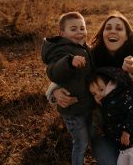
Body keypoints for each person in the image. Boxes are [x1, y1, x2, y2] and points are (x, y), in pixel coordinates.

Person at [46, 11, 133, 165]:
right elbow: (62, 72)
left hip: (131, 108)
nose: (113, 31)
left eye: (119, 28)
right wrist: (54, 91)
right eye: (108, 27)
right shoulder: (91, 54)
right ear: (103, 33)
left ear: (127, 35)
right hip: (100, 116)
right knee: (109, 162)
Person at [41, 12, 95, 165]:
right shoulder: (61, 51)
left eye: (82, 28)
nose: (79, 32)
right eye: (73, 29)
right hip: (73, 110)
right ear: (62, 33)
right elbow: (53, 72)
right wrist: (69, 62)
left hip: (86, 105)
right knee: (80, 143)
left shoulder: (85, 48)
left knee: (89, 136)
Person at [88, 67, 133, 165]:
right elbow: (111, 122)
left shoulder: (122, 98)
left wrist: (127, 131)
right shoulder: (105, 104)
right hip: (125, 146)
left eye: (101, 89)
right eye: (94, 93)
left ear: (111, 85)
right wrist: (105, 131)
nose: (98, 95)